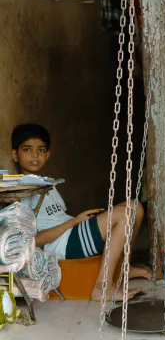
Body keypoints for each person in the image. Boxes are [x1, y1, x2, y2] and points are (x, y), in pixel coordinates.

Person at [11, 124, 151, 301]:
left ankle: (123, 269)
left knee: (135, 207)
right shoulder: (21, 191)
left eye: (40, 150)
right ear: (15, 154)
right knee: (124, 215)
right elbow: (34, 241)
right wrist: (74, 222)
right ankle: (103, 286)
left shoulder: (46, 183)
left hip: (72, 232)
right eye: (27, 150)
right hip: (64, 245)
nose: (35, 155)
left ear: (48, 155)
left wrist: (76, 222)